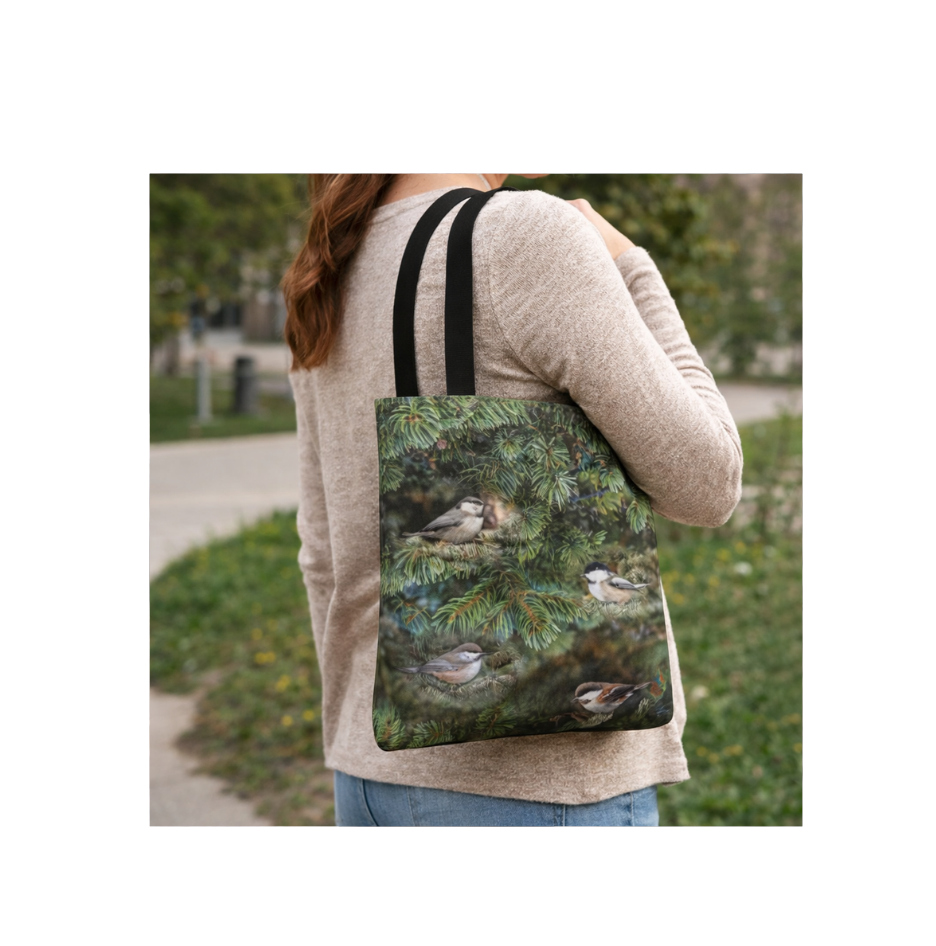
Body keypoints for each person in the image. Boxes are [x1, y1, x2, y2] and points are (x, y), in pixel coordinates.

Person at [283, 173, 742, 827]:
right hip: (536, 785)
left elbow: (321, 551)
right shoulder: (527, 234)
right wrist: (632, 267)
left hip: (368, 778)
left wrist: (364, 731)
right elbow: (708, 482)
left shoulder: (330, 261)